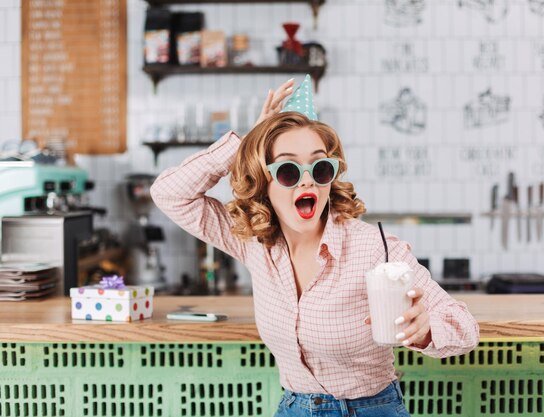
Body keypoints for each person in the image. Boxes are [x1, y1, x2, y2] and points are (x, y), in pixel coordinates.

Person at [151, 75, 479, 417]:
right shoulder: (254, 243)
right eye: (289, 171)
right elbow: (169, 193)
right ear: (263, 182)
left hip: (372, 410)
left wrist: (425, 330)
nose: (307, 179)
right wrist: (248, 142)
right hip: (293, 408)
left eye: (320, 167)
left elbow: (465, 328)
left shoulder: (374, 248)